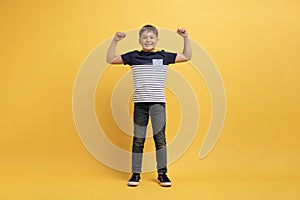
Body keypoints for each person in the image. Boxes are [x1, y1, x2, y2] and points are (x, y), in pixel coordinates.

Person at [106, 24, 191, 187]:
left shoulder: (163, 56)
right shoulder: (133, 57)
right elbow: (110, 59)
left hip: (158, 104)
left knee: (160, 139)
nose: (148, 40)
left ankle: (162, 174)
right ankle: (136, 173)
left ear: (157, 40)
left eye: (151, 37)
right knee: (138, 139)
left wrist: (185, 37)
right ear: (139, 40)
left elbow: (187, 56)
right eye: (145, 37)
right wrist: (115, 41)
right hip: (140, 105)